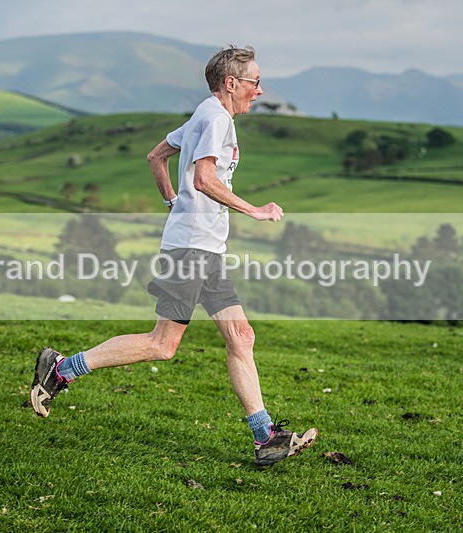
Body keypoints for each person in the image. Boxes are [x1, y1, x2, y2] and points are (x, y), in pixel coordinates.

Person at [30, 45, 317, 466]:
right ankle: (60, 370)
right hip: (191, 249)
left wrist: (172, 203)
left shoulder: (205, 112)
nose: (260, 90)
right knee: (162, 344)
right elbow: (203, 178)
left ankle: (265, 437)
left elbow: (156, 156)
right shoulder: (217, 118)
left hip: (204, 248)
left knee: (241, 337)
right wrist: (253, 210)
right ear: (232, 84)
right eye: (255, 82)